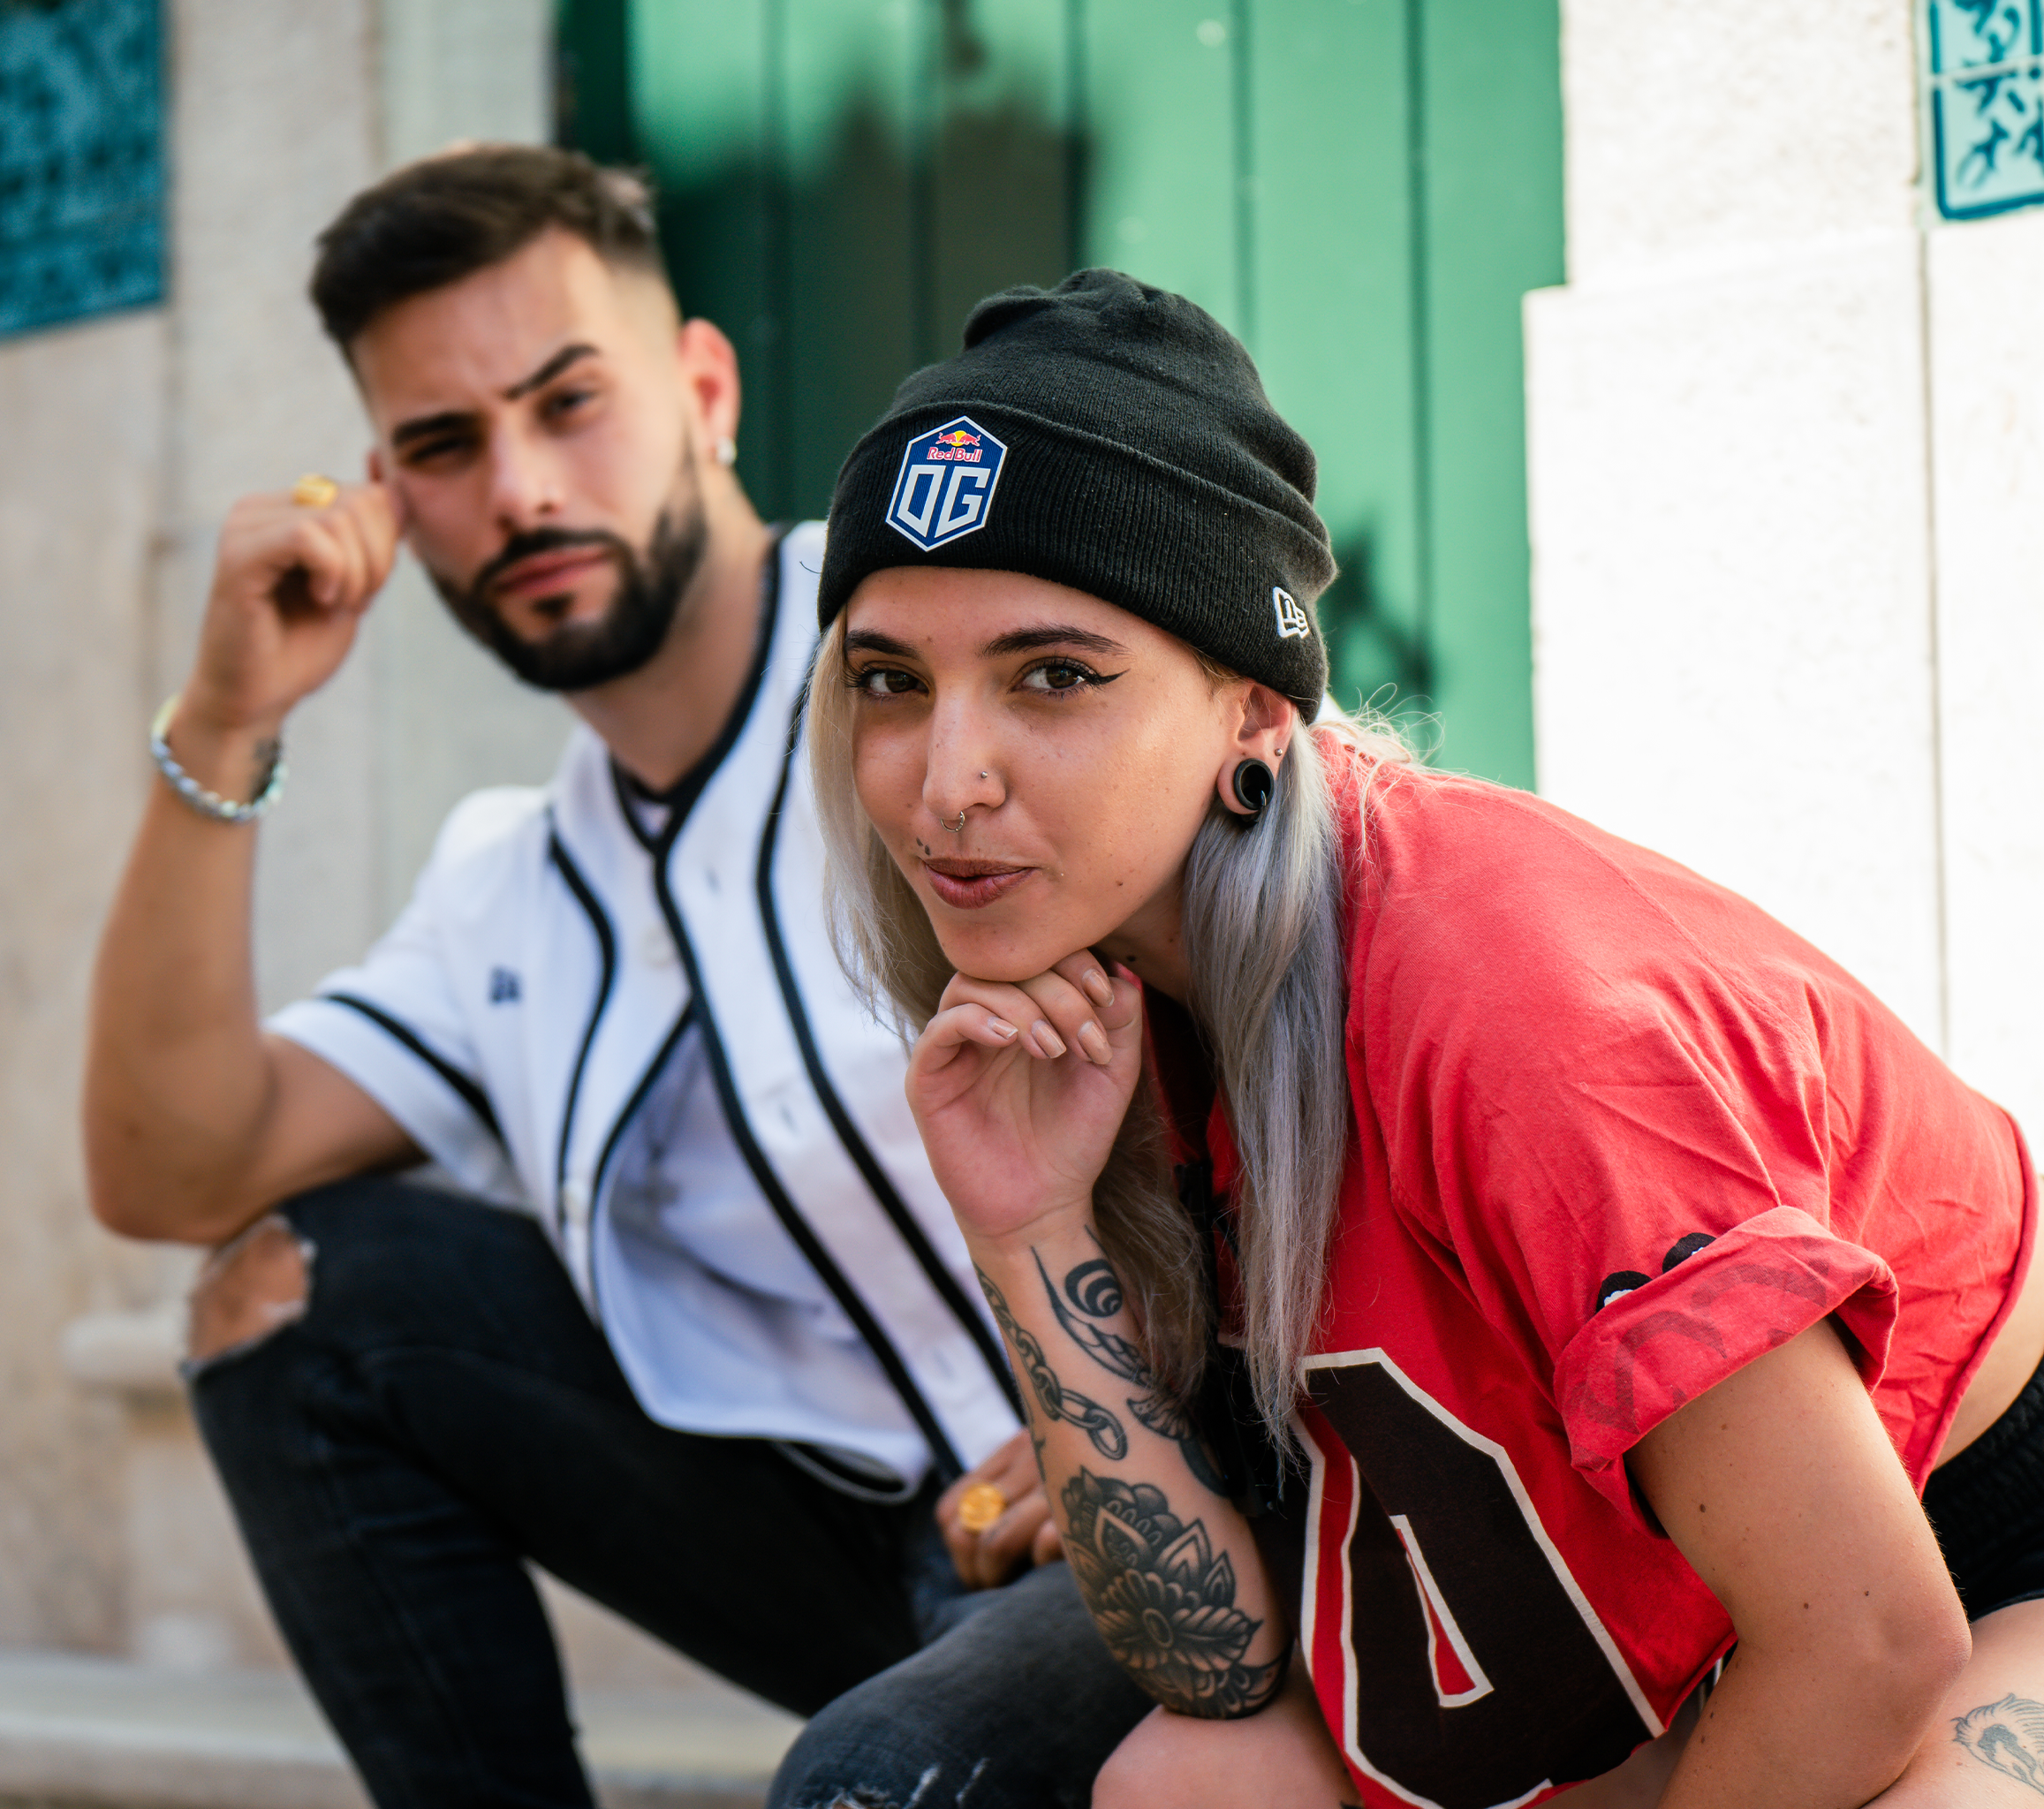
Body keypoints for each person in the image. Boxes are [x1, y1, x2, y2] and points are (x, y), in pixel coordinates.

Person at [799, 266, 2044, 1809]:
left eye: (1054, 676)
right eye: (888, 683)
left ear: (1253, 715)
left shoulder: (1512, 1001)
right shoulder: (1095, 987)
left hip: (1968, 1586)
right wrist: (1032, 1237)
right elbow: (1211, 1673)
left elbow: (1867, 1645)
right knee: (1158, 1787)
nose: (945, 779)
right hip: (1608, 1628)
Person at [82, 147, 1150, 1809]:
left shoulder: (940, 666)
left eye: (566, 401)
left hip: (1171, 1503)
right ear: (388, 496)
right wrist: (224, 723)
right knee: (294, 1293)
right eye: (445, 445)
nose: (517, 487)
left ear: (701, 386)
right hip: (887, 1558)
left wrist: (1162, 1402)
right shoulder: (509, 885)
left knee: (868, 1782)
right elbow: (170, 1170)